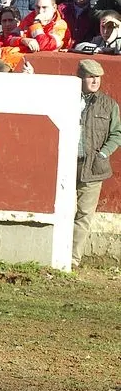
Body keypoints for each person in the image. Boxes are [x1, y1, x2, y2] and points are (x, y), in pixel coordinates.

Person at [73, 59, 121, 269]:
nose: (94, 81)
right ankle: (56, 255)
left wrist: (103, 154)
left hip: (93, 167)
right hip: (67, 164)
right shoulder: (68, 98)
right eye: (90, 76)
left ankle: (72, 259)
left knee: (84, 214)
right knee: (64, 212)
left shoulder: (109, 104)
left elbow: (117, 133)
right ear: (80, 77)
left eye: (97, 77)